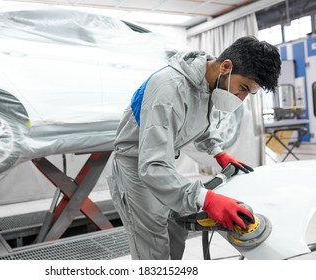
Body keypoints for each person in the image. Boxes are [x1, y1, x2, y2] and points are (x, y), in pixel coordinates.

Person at [106, 36, 281, 260]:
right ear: (226, 66)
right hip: (137, 167)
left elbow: (198, 123)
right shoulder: (169, 89)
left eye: (250, 93)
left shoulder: (208, 83)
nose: (242, 98)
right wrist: (207, 200)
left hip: (162, 161)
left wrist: (218, 152)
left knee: (175, 233)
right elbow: (151, 167)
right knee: (153, 246)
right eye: (243, 88)